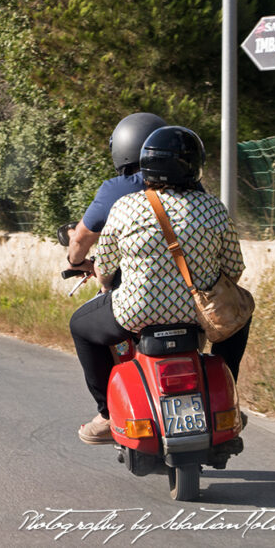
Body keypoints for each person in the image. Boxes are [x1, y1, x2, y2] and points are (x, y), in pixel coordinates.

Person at [69, 126, 250, 445]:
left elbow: (107, 269)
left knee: (80, 327)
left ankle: (106, 415)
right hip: (199, 316)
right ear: (195, 166)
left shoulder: (125, 207)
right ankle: (228, 393)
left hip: (134, 315)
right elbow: (234, 269)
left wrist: (112, 281)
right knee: (241, 316)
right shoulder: (214, 209)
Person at [65, 112, 168, 277]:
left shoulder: (117, 190)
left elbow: (79, 240)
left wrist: (75, 263)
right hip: (197, 293)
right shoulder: (192, 185)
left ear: (123, 145)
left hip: (142, 295)